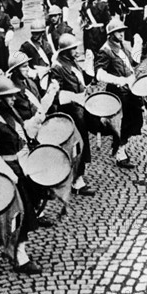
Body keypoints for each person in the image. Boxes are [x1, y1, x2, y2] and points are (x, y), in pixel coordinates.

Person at [0, 76, 43, 274]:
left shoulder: (11, 112)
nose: (14, 99)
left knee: (35, 201)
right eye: (9, 97)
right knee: (19, 215)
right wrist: (8, 173)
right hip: (9, 173)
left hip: (21, 166)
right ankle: (19, 255)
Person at [49, 34, 102, 193]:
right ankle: (76, 181)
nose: (76, 50)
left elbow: (83, 81)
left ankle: (78, 177)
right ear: (65, 51)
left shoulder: (71, 63)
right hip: (70, 113)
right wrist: (75, 97)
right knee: (76, 146)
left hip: (80, 110)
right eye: (73, 48)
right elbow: (56, 96)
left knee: (83, 143)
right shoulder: (57, 68)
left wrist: (89, 63)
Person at [95, 18, 143, 169]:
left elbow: (132, 63)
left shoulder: (122, 45)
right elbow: (99, 74)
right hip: (118, 93)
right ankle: (120, 154)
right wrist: (118, 80)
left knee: (135, 121)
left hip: (131, 91)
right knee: (122, 124)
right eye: (118, 32)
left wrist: (138, 46)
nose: (122, 34)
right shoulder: (105, 50)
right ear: (111, 34)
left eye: (122, 31)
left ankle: (121, 148)